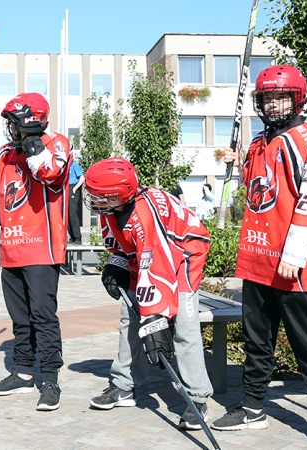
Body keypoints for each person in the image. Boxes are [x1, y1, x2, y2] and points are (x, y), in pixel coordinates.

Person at [211, 65, 307, 449]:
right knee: (257, 337)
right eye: (267, 97)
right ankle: (253, 407)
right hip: (258, 255)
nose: (273, 104)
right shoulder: (260, 141)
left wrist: (296, 250)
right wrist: (238, 162)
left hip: (293, 261)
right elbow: (261, 187)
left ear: (297, 98)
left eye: (281, 97)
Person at [83, 158, 214, 430]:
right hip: (149, 257)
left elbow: (158, 266)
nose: (92, 199)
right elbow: (125, 246)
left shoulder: (145, 216)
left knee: (184, 328)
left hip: (182, 257)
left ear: (117, 194)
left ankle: (197, 397)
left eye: (99, 195)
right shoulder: (113, 206)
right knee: (129, 318)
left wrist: (155, 319)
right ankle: (123, 386)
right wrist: (116, 263)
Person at [0, 92, 70, 411]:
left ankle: (49, 378)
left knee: (42, 316)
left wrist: (32, 139)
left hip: (42, 247)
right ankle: (23, 373)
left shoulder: (56, 143)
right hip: (11, 247)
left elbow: (49, 173)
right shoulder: (4, 154)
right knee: (20, 318)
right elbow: (1, 204)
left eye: (14, 123)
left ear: (30, 120)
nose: (9, 130)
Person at [68, 153, 84, 245]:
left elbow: (82, 178)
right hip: (67, 188)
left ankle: (77, 237)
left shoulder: (74, 165)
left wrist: (74, 188)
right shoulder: (66, 167)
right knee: (68, 214)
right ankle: (72, 236)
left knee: (73, 213)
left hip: (73, 187)